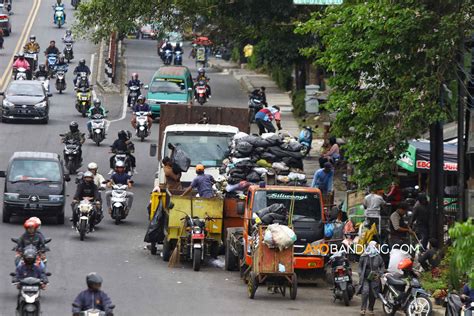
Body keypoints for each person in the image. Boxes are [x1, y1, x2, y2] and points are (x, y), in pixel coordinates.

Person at [357, 241, 385, 315]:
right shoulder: (364, 256)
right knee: (365, 292)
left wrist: (380, 274)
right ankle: (363, 309)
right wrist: (360, 273)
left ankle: (371, 308)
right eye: (375, 246)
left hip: (374, 278)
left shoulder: (378, 256)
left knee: (373, 293)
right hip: (365, 277)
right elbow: (360, 266)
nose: (376, 247)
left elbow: (382, 266)